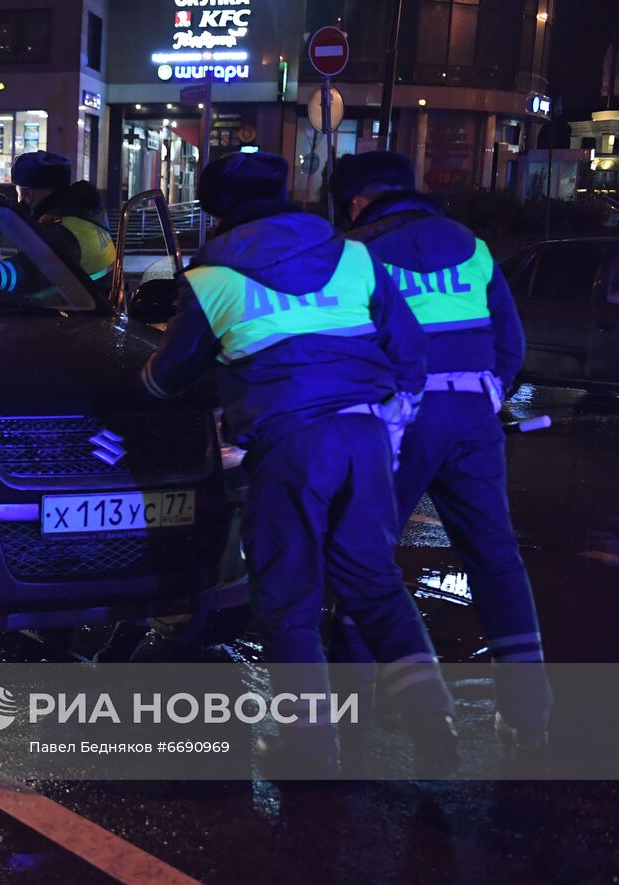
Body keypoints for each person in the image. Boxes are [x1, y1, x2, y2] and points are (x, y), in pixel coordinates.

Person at [140, 151, 458, 778]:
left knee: (288, 595)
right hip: (365, 438)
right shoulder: (353, 254)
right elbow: (410, 350)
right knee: (373, 582)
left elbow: (168, 378)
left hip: (290, 443)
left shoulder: (211, 275)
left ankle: (309, 745)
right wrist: (391, 422)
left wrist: (142, 383)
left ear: (215, 208)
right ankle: (434, 722)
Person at [331, 150, 551, 756]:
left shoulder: (356, 254)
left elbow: (348, 346)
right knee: (495, 556)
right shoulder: (471, 245)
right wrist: (483, 397)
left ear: (357, 202)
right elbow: (510, 343)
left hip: (399, 419)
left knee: (364, 558)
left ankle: (355, 704)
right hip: (472, 416)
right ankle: (528, 707)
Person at [10, 150, 115, 287]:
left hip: (74, 307)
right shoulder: (84, 218)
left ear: (28, 195)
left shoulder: (60, 234)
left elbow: (27, 275)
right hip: (98, 303)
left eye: (18, 193)